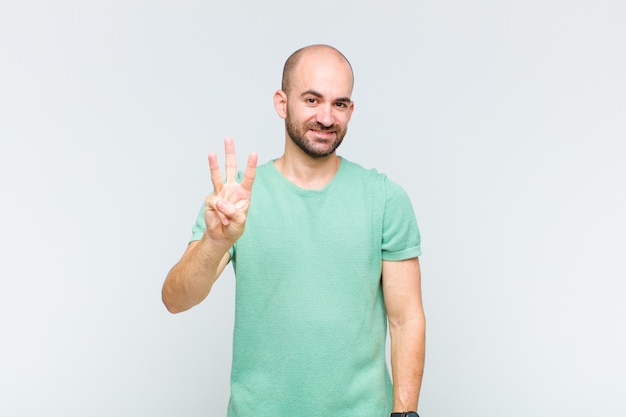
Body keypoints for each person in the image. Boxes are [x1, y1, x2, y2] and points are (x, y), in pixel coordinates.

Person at [162, 44, 425, 417]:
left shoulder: (383, 198)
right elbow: (176, 299)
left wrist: (405, 413)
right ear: (281, 103)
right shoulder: (236, 201)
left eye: (340, 104)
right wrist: (215, 242)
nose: (326, 117)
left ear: (351, 110)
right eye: (312, 99)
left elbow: (406, 318)